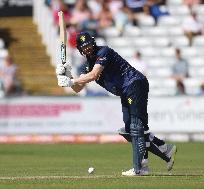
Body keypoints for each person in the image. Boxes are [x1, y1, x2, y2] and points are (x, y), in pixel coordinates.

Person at [56, 32, 177, 176]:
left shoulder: (103, 52)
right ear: (80, 50)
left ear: (93, 43)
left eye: (88, 45)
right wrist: (67, 75)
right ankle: (165, 150)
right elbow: (77, 88)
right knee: (127, 130)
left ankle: (140, 168)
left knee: (136, 127)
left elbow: (94, 75)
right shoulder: (87, 65)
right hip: (125, 92)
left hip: (135, 84)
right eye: (84, 47)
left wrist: (71, 81)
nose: (87, 49)